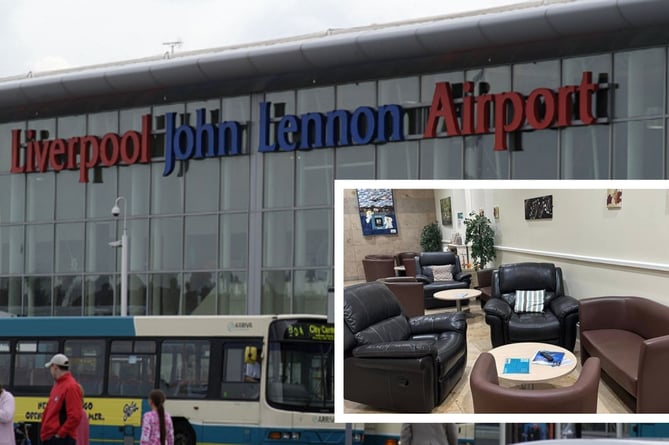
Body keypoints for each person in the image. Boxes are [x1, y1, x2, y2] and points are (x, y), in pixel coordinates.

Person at [40, 354, 83, 445]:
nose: (50, 371)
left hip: (61, 439)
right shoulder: (58, 385)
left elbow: (75, 416)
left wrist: (60, 434)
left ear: (55, 367)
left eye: (50, 368)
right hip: (52, 437)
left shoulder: (70, 386)